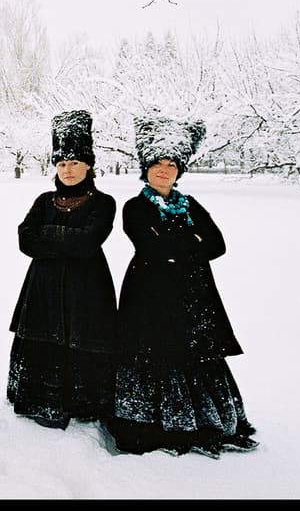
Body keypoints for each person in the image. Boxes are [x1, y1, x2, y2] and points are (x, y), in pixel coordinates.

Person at [105, 115, 259, 458]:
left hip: (194, 295)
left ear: (179, 171)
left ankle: (203, 423)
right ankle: (158, 427)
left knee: (194, 352)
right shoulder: (135, 207)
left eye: (171, 165)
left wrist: (176, 248)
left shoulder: (191, 205)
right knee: (154, 349)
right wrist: (190, 243)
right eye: (157, 164)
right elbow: (150, 247)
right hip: (148, 295)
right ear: (145, 169)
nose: (164, 171)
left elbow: (217, 245)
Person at [7, 110, 118, 430]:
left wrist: (49, 234)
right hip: (43, 287)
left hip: (87, 288)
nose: (67, 170)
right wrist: (68, 238)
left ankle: (82, 403)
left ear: (89, 166)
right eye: (61, 164)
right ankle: (42, 401)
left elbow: (89, 242)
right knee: (45, 339)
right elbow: (25, 239)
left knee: (82, 339)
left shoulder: (104, 202)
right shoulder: (44, 201)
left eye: (74, 163)